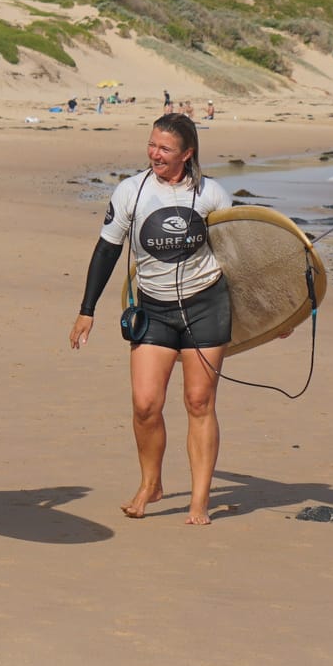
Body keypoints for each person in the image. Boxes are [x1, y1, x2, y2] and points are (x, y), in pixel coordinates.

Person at [69, 114, 234, 525]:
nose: (155, 154)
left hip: (205, 304)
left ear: (187, 153)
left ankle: (199, 500)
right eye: (152, 145)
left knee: (199, 402)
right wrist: (87, 310)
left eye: (165, 149)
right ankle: (151, 483)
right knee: (145, 405)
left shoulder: (212, 195)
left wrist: (273, 314)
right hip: (154, 308)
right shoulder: (131, 191)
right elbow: (107, 250)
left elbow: (240, 258)